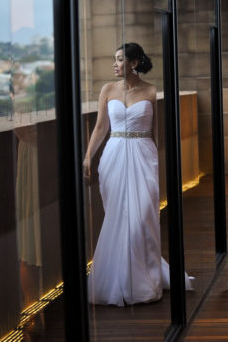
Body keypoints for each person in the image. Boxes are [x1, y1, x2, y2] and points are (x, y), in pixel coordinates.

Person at [83, 43, 189, 306]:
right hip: (114, 155)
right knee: (118, 215)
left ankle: (146, 275)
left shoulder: (151, 90)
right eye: (114, 60)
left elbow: (155, 132)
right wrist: (87, 156)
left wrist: (156, 162)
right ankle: (118, 278)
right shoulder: (108, 90)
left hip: (144, 155)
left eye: (120, 60)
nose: (115, 64)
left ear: (133, 63)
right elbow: (99, 127)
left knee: (142, 215)